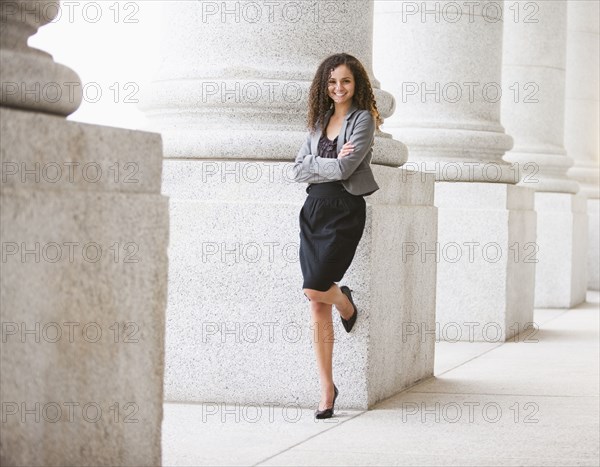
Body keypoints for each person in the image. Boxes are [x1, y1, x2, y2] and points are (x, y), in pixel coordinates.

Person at [292, 53, 381, 419]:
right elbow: (298, 169)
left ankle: (346, 303)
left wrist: (319, 165)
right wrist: (326, 166)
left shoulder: (364, 120)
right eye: (331, 82)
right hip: (314, 210)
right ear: (323, 87)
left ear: (355, 83)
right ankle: (327, 388)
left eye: (344, 81)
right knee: (315, 302)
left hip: (345, 210)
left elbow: (347, 167)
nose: (338, 88)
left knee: (314, 286)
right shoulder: (319, 122)